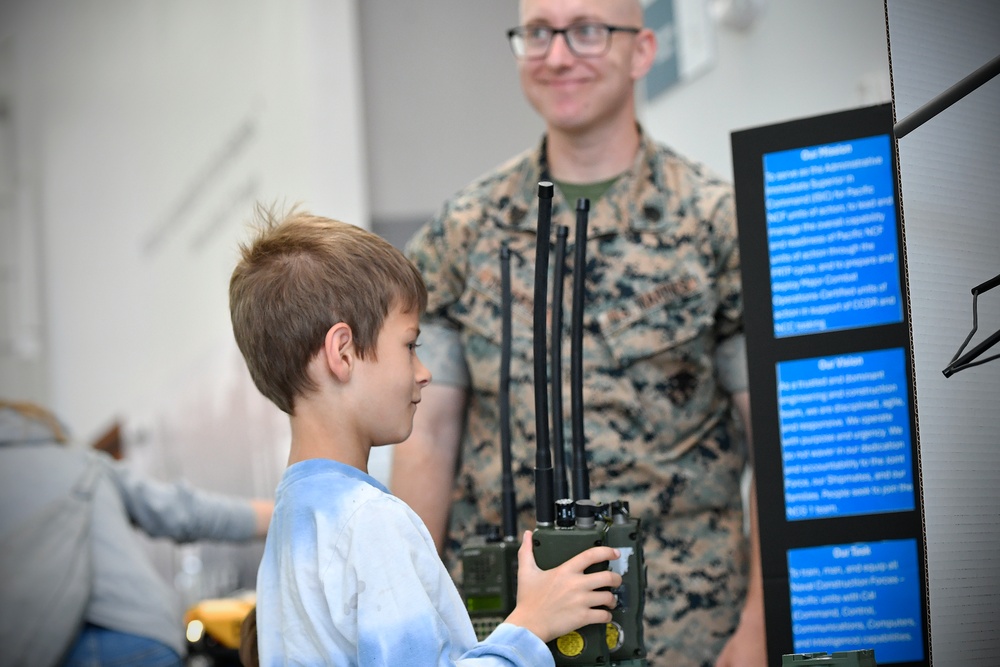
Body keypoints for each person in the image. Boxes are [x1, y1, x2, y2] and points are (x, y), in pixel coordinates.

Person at [390, 1, 765, 665]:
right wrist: (414, 624)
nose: (558, 55)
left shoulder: (715, 223)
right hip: (505, 634)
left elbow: (778, 439)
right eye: (538, 32)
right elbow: (428, 440)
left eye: (587, 31)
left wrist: (760, 622)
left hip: (680, 632)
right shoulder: (466, 230)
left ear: (642, 50)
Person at [229, 206, 623, 666]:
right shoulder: (371, 523)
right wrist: (530, 626)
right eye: (410, 345)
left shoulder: (292, 521)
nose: (424, 372)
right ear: (342, 352)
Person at [0, 400, 273, 667]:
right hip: (139, 636)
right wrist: (284, 511)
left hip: (37, 648)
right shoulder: (82, 461)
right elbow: (182, 511)